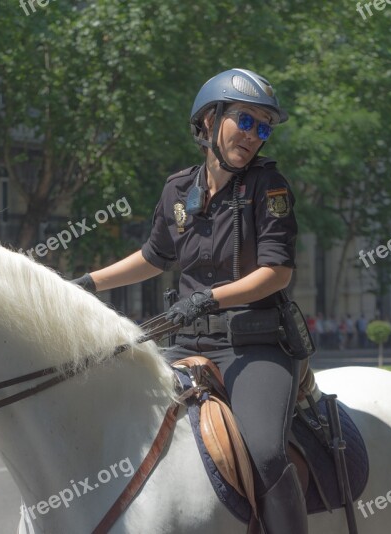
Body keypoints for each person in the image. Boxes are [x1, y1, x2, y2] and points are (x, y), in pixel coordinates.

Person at [72, 68, 307, 533]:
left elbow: (276, 274)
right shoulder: (178, 189)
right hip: (185, 345)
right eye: (245, 119)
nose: (254, 135)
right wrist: (84, 284)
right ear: (209, 119)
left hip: (254, 346)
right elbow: (153, 257)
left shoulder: (269, 187)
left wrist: (206, 300)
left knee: (264, 450)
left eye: (264, 127)